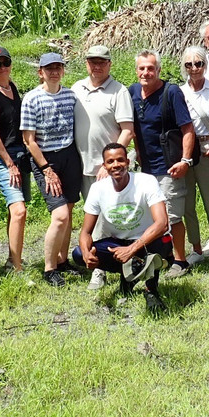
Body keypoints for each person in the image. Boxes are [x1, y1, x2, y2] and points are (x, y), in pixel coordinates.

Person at [74, 143, 171, 313]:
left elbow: (162, 223)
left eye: (120, 160)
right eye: (110, 162)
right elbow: (85, 232)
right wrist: (87, 253)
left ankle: (151, 290)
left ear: (128, 162)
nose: (116, 165)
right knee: (78, 254)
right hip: (119, 244)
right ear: (104, 166)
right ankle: (129, 276)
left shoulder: (146, 181)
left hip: (150, 242)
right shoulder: (98, 189)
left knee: (157, 245)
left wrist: (132, 249)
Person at [129, 50, 197, 279]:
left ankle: (180, 260)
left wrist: (185, 160)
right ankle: (163, 255)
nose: (146, 72)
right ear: (136, 70)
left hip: (168, 166)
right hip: (144, 169)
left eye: (151, 68)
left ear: (158, 70)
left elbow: (187, 128)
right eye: (142, 68)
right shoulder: (132, 92)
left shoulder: (171, 92)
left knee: (171, 216)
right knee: (150, 216)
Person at [71, 45, 135, 289]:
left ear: (109, 64)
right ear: (86, 63)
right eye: (92, 62)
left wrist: (107, 165)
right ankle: (97, 264)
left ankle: (108, 267)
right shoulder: (77, 89)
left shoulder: (119, 91)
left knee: (111, 219)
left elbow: (127, 130)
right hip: (81, 165)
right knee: (92, 220)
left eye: (102, 62)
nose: (97, 66)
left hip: (108, 169)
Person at [20, 52, 83, 287]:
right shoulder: (32, 99)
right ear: (40, 72)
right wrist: (46, 169)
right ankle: (49, 269)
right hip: (45, 159)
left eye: (58, 67)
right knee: (60, 216)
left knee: (69, 211)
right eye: (49, 68)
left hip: (69, 155)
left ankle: (62, 260)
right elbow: (29, 140)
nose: (54, 72)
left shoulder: (70, 96)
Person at [0, 46, 30, 273]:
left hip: (20, 154)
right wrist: (9, 163)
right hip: (3, 158)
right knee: (19, 210)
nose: (2, 68)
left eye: (5, 63)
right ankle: (17, 269)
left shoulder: (12, 87)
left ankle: (12, 259)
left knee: (15, 210)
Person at [179, 46, 209, 270]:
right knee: (187, 203)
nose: (194, 68)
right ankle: (196, 248)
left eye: (198, 63)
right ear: (184, 67)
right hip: (187, 152)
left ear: (205, 65)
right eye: (189, 64)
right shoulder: (179, 92)